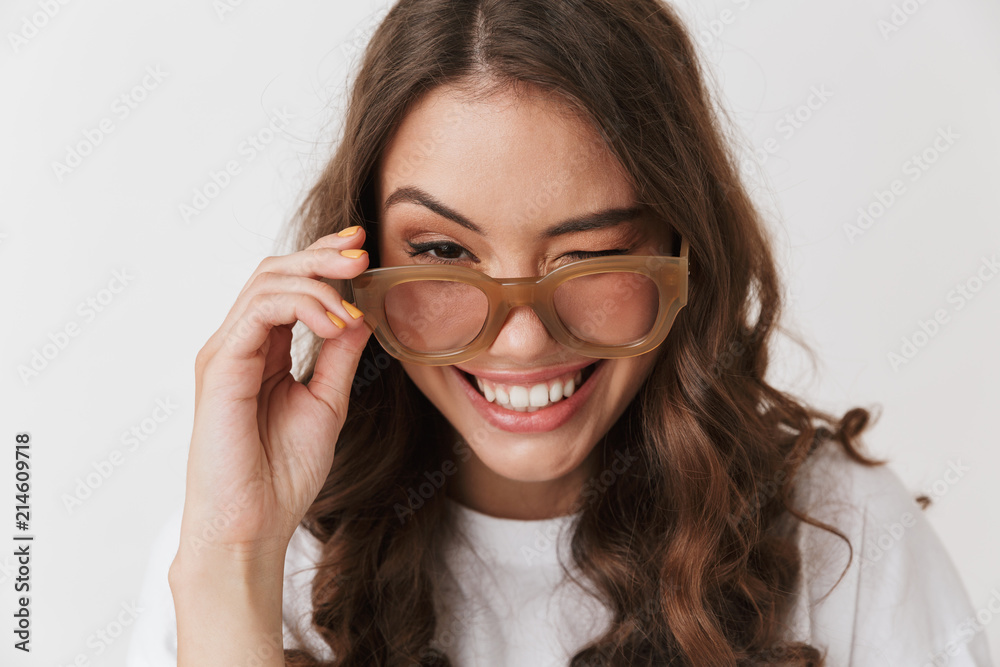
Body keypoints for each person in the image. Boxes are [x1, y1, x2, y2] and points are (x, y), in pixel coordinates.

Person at [128, 0, 994, 665]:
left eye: (592, 255)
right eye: (440, 251)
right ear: (355, 261)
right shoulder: (240, 549)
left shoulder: (839, 536)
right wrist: (230, 562)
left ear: (680, 248)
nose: (520, 341)